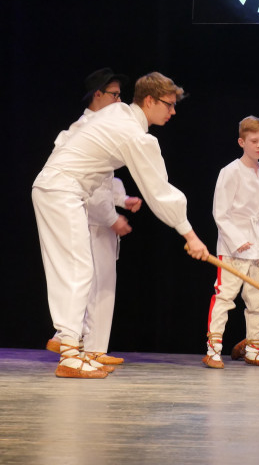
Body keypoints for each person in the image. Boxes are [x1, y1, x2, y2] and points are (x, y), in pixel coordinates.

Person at [32, 71, 209, 378]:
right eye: (168, 104)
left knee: (77, 267)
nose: (173, 111)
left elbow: (95, 158)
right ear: (150, 100)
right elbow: (159, 191)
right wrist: (191, 235)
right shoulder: (133, 133)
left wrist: (119, 199)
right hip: (61, 189)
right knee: (77, 267)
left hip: (57, 187)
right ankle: (71, 352)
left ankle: (74, 345)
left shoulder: (116, 113)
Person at [44, 69, 144, 370]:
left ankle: (91, 346)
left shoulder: (105, 125)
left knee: (101, 283)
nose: (119, 101)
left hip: (93, 210)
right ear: (97, 95)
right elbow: (89, 180)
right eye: (114, 95)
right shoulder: (82, 127)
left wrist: (121, 199)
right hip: (83, 211)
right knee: (88, 279)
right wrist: (112, 216)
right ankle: (74, 341)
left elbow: (104, 176)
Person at [204, 116, 259, 369]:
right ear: (242, 141)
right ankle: (213, 349)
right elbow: (220, 211)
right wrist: (237, 239)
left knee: (258, 300)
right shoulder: (230, 172)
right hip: (233, 247)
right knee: (225, 296)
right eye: (254, 141)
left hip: (258, 247)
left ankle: (253, 348)